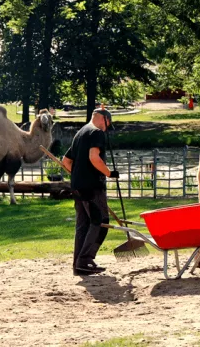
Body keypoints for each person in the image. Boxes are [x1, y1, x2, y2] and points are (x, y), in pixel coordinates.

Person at [62, 108, 119, 275]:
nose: (107, 129)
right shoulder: (96, 133)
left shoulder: (80, 133)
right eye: (108, 124)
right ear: (103, 119)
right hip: (93, 187)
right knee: (100, 222)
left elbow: (66, 161)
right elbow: (94, 157)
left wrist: (79, 174)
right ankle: (85, 260)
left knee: (83, 224)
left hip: (77, 186)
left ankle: (78, 264)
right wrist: (109, 173)